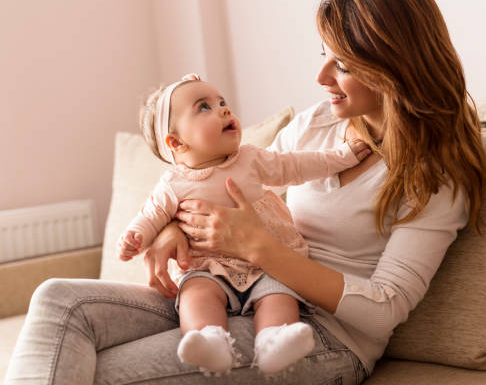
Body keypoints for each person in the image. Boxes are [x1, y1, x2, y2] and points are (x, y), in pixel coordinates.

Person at [4, 0, 486, 384]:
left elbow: (386, 309)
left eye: (341, 64)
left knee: (102, 372)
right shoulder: (318, 124)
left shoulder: (435, 177)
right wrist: (174, 225)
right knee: (58, 302)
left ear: (395, 67)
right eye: (324, 55)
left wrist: (261, 249)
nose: (321, 76)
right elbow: (231, 183)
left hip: (319, 333)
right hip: (230, 287)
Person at [117, 73, 370, 375]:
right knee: (195, 293)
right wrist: (136, 236)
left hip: (266, 263)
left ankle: (275, 342)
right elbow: (150, 215)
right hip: (208, 266)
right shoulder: (172, 184)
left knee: (279, 294)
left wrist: (343, 156)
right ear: (177, 143)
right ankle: (208, 342)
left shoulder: (249, 158)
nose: (224, 109)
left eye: (221, 102)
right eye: (204, 107)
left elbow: (297, 165)